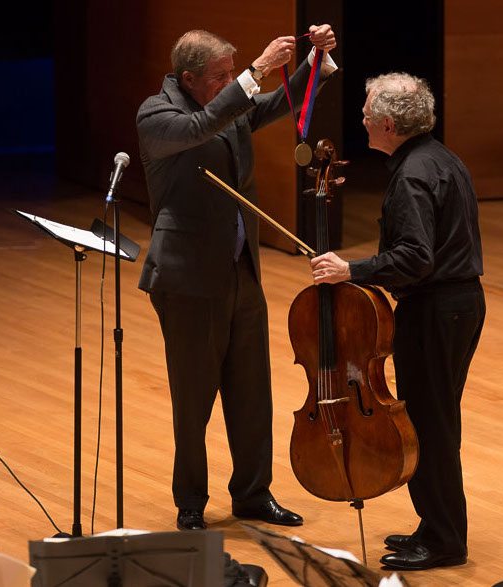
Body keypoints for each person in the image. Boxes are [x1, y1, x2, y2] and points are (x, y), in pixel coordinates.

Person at [136, 26, 337, 531]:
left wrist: (316, 62)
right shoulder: (159, 115)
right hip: (187, 278)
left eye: (233, 72)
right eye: (221, 76)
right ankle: (190, 502)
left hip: (241, 269)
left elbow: (265, 106)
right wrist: (256, 71)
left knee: (251, 391)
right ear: (190, 79)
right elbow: (205, 123)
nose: (231, 81)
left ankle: (253, 493)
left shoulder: (223, 104)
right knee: (194, 395)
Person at [310, 73, 485, 570]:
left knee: (431, 426)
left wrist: (352, 270)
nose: (361, 117)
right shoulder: (439, 157)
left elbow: (414, 257)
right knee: (433, 421)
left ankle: (446, 542)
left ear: (388, 123)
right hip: (457, 305)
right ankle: (435, 527)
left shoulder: (412, 174)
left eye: (366, 111)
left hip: (436, 309)